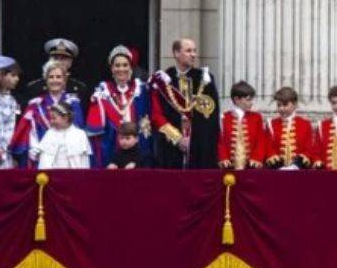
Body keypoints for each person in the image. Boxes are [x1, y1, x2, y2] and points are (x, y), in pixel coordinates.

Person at [149, 38, 220, 169]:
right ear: (176, 53)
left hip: (198, 147)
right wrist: (177, 138)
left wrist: (193, 140)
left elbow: (211, 115)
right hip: (170, 146)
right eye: (188, 51)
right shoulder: (163, 80)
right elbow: (156, 115)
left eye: (194, 51)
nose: (193, 54)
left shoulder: (205, 78)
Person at [86, 46, 153, 170]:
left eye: (125, 65)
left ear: (131, 68)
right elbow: (95, 126)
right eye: (117, 65)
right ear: (112, 69)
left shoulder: (140, 90)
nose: (121, 69)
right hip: (112, 149)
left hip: (136, 152)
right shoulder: (103, 91)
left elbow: (146, 122)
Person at [10, 59, 85, 168]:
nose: (55, 80)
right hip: (43, 157)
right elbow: (31, 132)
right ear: (46, 80)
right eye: (51, 77)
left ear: (65, 80)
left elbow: (78, 130)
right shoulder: (36, 104)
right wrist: (35, 149)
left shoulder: (73, 103)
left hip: (68, 157)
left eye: (59, 77)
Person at [20, 38, 89, 109]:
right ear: (49, 60)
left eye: (63, 58)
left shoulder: (80, 89)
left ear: (70, 62)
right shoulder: (34, 88)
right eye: (55, 58)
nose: (59, 61)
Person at [217, 80, 266, 170]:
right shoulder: (224, 117)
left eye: (251, 100)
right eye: (248, 100)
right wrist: (223, 157)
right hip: (229, 167)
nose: (251, 103)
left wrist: (257, 158)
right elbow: (220, 141)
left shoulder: (257, 117)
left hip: (251, 167)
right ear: (236, 99)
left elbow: (261, 140)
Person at [265, 86, 317, 170]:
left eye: (285, 105)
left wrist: (296, 165)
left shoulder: (305, 124)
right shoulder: (271, 124)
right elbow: (268, 147)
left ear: (295, 104)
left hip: (299, 171)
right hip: (276, 171)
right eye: (279, 105)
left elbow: (309, 148)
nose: (281, 108)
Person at [35, 103, 92, 170]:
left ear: (65, 118)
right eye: (51, 118)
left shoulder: (80, 134)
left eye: (54, 118)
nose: (51, 121)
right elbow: (43, 160)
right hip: (53, 176)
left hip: (73, 176)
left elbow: (84, 161)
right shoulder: (49, 134)